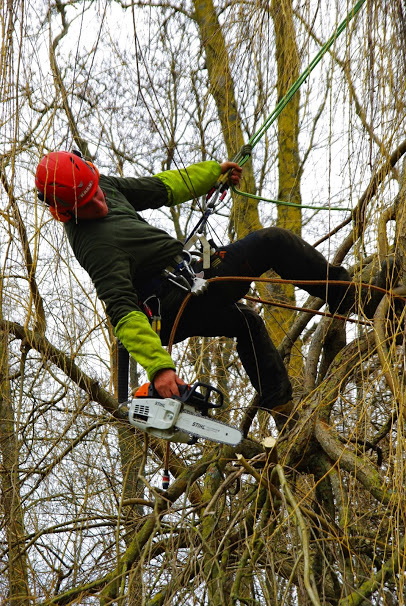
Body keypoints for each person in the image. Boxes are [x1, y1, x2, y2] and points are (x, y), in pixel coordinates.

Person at [35, 150, 359, 432]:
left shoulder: (102, 185)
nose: (100, 202)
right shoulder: (94, 246)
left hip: (188, 275)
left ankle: (284, 415)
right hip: (172, 300)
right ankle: (353, 297)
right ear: (66, 210)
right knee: (272, 243)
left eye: (98, 192)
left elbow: (164, 187)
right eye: (90, 204)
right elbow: (122, 312)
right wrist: (159, 368)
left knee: (247, 323)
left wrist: (212, 173)